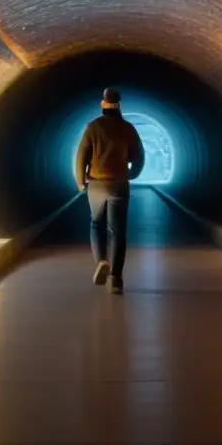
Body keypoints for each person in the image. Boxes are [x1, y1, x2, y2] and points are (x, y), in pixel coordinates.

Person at [75, 88, 145, 294]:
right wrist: (132, 174)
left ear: (102, 104)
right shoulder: (128, 128)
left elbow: (82, 156)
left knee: (96, 223)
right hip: (119, 185)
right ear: (119, 105)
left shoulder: (93, 127)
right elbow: (139, 157)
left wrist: (81, 182)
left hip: (96, 184)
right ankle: (115, 279)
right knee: (118, 231)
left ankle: (101, 262)